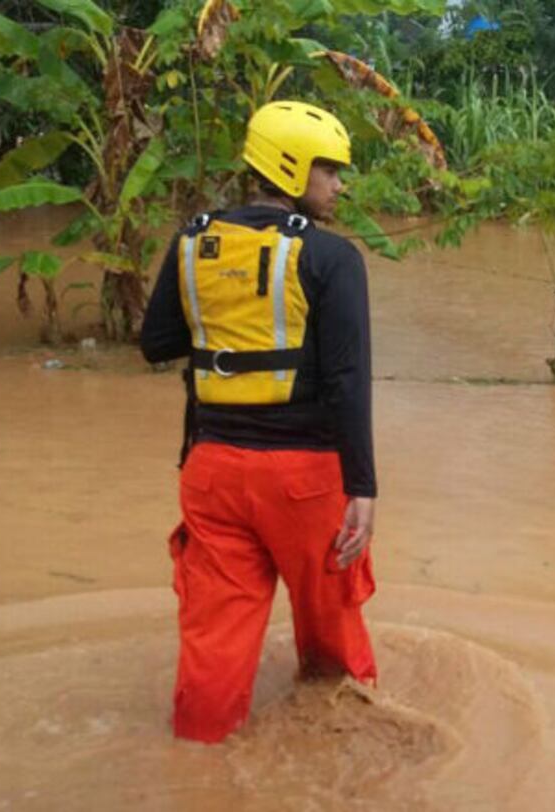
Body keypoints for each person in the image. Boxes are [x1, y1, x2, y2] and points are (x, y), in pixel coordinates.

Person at [140, 101, 378, 744]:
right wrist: (363, 488)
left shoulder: (193, 241)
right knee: (334, 633)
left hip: (213, 475)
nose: (337, 185)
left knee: (214, 639)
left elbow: (157, 342)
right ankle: (348, 763)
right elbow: (349, 381)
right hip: (307, 481)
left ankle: (196, 764)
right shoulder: (332, 257)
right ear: (292, 167)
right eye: (329, 170)